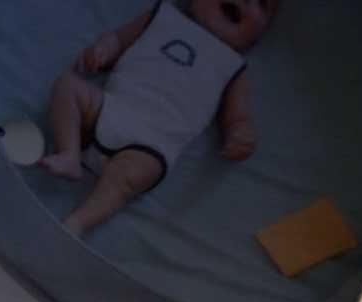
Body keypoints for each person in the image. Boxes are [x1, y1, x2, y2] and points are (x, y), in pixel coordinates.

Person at [41, 0, 277, 235]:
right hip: (111, 108)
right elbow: (119, 39)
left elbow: (239, 116)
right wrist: (104, 48)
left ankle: (78, 222)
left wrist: (241, 132)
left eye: (262, 3)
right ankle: (69, 153)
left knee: (128, 178)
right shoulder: (162, 16)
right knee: (67, 85)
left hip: (151, 143)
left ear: (257, 36)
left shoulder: (232, 66)